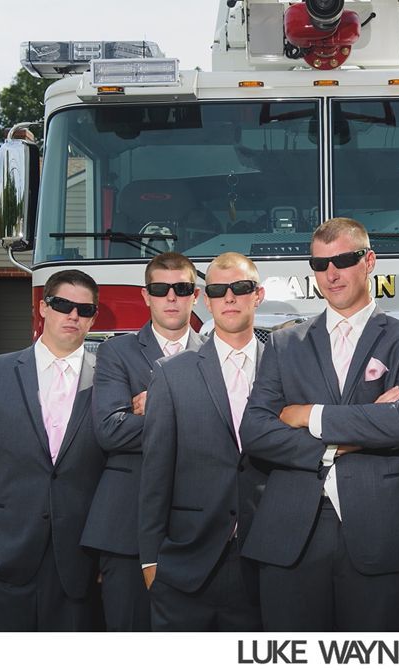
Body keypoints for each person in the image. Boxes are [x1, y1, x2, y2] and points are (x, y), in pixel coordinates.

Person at [239, 217, 399, 632]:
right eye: (320, 264)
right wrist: (341, 443)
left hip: (385, 533)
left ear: (369, 261)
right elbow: (256, 430)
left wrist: (307, 415)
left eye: (344, 260)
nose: (331, 274)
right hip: (291, 535)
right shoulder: (284, 342)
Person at [0, 270, 105, 631]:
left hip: (78, 566)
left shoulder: (110, 380)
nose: (73, 315)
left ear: (94, 317)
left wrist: (105, 557)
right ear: (43, 307)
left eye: (84, 309)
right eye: (63, 305)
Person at [138, 252, 269, 631]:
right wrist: (151, 562)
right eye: (217, 289)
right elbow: (156, 472)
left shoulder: (284, 364)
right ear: (206, 299)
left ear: (257, 295)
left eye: (240, 288)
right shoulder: (171, 375)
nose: (229, 297)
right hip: (184, 565)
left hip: (265, 560)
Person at [81, 252, 204, 631]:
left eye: (181, 288)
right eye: (160, 289)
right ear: (145, 295)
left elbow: (231, 431)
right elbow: (111, 430)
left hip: (200, 527)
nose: (171, 297)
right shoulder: (116, 351)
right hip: (126, 527)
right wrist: (194, 416)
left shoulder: (215, 355)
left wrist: (156, 408)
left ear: (195, 296)